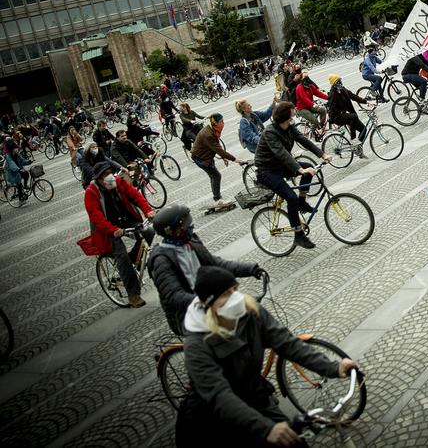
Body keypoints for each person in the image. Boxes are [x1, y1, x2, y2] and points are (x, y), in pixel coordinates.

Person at [175, 265, 357, 447]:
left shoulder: (251, 312)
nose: (235, 297)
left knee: (295, 442)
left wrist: (333, 367)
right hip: (214, 420)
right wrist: (266, 429)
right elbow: (218, 395)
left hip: (255, 397)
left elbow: (287, 343)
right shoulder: (197, 344)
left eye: (235, 289)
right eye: (225, 295)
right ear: (209, 304)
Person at [149, 204, 266, 336]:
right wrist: (208, 301)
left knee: (251, 317)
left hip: (211, 302)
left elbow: (215, 264)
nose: (191, 225)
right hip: (188, 315)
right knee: (229, 341)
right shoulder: (161, 260)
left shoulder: (191, 241)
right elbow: (175, 296)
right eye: (186, 223)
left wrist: (250, 269)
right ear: (174, 230)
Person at [254, 101, 331, 250]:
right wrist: (299, 170)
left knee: (309, 167)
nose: (295, 112)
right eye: (292, 111)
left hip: (280, 166)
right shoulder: (270, 132)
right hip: (267, 171)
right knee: (291, 197)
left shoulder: (289, 127)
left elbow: (304, 140)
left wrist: (322, 154)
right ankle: (298, 235)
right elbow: (281, 153)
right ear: (285, 115)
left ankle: (302, 202)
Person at [84, 161, 156, 308]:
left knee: (149, 232)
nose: (108, 176)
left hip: (127, 220)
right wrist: (112, 230)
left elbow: (136, 196)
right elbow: (96, 217)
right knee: (121, 256)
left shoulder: (119, 181)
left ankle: (135, 259)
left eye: (109, 172)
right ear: (98, 179)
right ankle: (133, 295)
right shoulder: (91, 192)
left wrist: (148, 210)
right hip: (107, 228)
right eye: (104, 175)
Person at [191, 114, 245, 210]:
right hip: (201, 159)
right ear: (214, 123)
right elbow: (219, 149)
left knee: (213, 176)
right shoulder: (208, 134)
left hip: (205, 156)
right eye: (221, 122)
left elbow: (216, 146)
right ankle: (217, 199)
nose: (223, 123)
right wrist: (235, 160)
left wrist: (223, 157)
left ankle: (217, 198)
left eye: (223, 121)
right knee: (216, 175)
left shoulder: (212, 129)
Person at [326, 74, 370, 156]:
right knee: (353, 116)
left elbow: (353, 96)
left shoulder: (343, 89)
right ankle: (353, 139)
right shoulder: (332, 94)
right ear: (334, 84)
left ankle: (358, 148)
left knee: (363, 129)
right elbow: (331, 110)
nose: (340, 82)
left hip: (345, 115)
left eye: (340, 80)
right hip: (337, 117)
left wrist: (366, 102)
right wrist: (332, 118)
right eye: (338, 81)